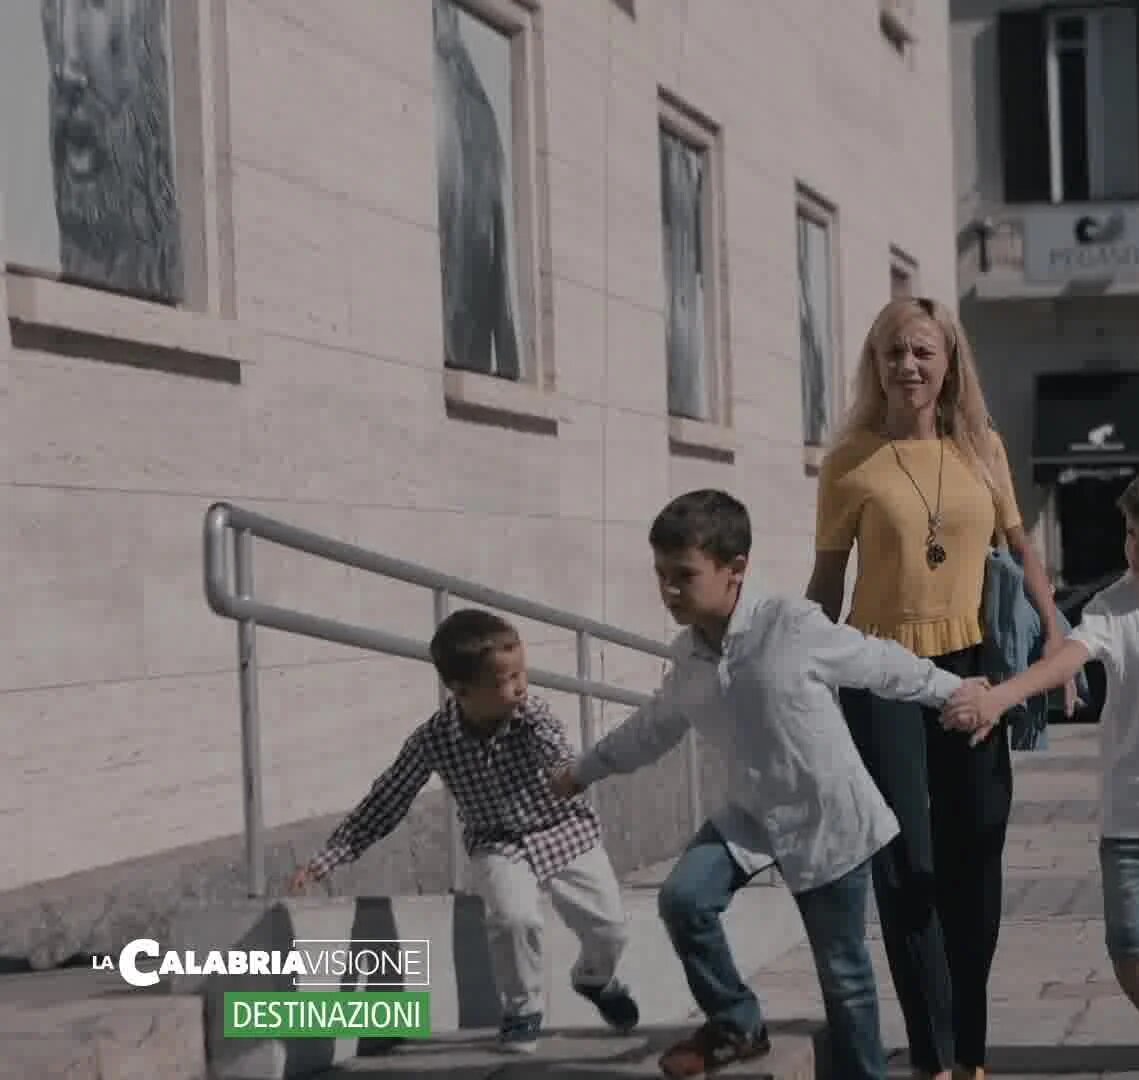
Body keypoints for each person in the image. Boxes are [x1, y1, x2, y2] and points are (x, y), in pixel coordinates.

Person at [550, 490, 989, 1080]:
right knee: (684, 899)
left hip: (824, 814)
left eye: (684, 575)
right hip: (750, 814)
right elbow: (652, 728)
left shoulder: (790, 625)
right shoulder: (688, 657)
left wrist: (955, 691)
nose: (669, 590)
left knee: (844, 973)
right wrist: (585, 769)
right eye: (661, 575)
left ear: (735, 571)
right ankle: (737, 1024)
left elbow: (881, 663)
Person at [805, 296, 1069, 1080]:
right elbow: (826, 583)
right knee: (904, 862)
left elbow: (1025, 554)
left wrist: (1056, 634)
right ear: (875, 363)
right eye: (893, 352)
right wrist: (798, 669)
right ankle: (934, 1058)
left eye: (923, 351)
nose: (908, 366)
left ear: (949, 362)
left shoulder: (981, 448)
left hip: (974, 667)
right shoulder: (850, 459)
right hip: (880, 673)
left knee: (975, 855)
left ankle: (972, 1052)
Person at [943, 457, 1139, 1080]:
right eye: (1130, 534)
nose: (1134, 549)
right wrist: (1003, 697)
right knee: (1132, 951)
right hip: (1134, 822)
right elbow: (1066, 661)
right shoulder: (1115, 608)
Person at [287, 609, 638, 1054]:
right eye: (505, 681)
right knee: (514, 918)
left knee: (611, 930)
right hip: (497, 843)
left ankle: (595, 978)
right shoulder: (432, 740)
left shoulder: (533, 718)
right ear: (461, 691)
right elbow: (387, 800)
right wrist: (326, 861)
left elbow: (558, 752)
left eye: (521, 673)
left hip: (564, 830)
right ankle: (522, 1010)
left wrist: (565, 772)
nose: (520, 688)